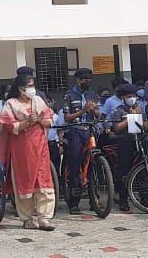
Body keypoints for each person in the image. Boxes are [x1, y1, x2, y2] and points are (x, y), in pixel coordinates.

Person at [0, 74, 57, 230]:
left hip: (41, 148)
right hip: (22, 151)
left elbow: (49, 120)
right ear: (21, 89)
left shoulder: (38, 101)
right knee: (24, 182)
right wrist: (27, 122)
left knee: (43, 181)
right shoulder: (11, 104)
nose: (32, 89)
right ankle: (27, 218)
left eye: (33, 85)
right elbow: (9, 126)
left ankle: (44, 218)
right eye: (29, 86)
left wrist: (41, 120)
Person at [61, 68, 100, 214]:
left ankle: (93, 200)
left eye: (89, 79)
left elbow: (98, 114)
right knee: (75, 164)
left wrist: (93, 110)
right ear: (78, 80)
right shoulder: (70, 95)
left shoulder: (92, 94)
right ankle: (74, 202)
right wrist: (83, 111)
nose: (87, 81)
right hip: (75, 130)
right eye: (85, 79)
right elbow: (67, 118)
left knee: (93, 163)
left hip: (89, 130)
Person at [104, 83, 144, 212]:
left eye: (134, 96)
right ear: (123, 98)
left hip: (139, 140)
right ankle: (123, 199)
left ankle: (145, 197)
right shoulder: (119, 110)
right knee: (124, 171)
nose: (132, 98)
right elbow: (116, 128)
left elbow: (146, 126)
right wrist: (130, 118)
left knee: (143, 168)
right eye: (129, 96)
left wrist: (139, 117)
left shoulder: (140, 108)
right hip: (124, 141)